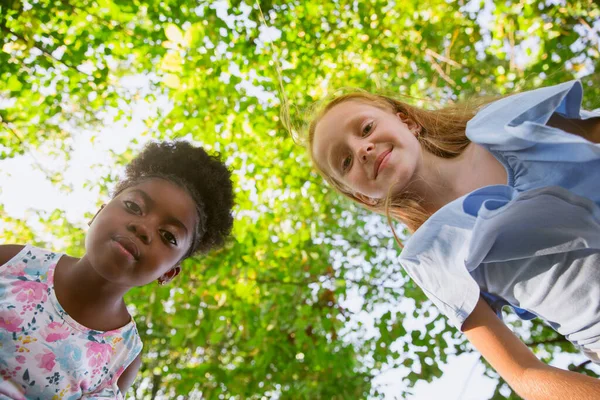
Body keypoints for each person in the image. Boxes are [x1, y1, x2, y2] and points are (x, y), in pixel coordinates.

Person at [308, 80, 600, 399]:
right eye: (345, 162)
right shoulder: (428, 258)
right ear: (363, 197)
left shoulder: (498, 124)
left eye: (365, 128)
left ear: (407, 121)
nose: (361, 150)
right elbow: (524, 373)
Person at [0, 141, 234, 399]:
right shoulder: (15, 262)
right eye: (134, 207)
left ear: (168, 273)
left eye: (168, 235)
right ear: (98, 213)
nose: (143, 229)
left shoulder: (122, 358)